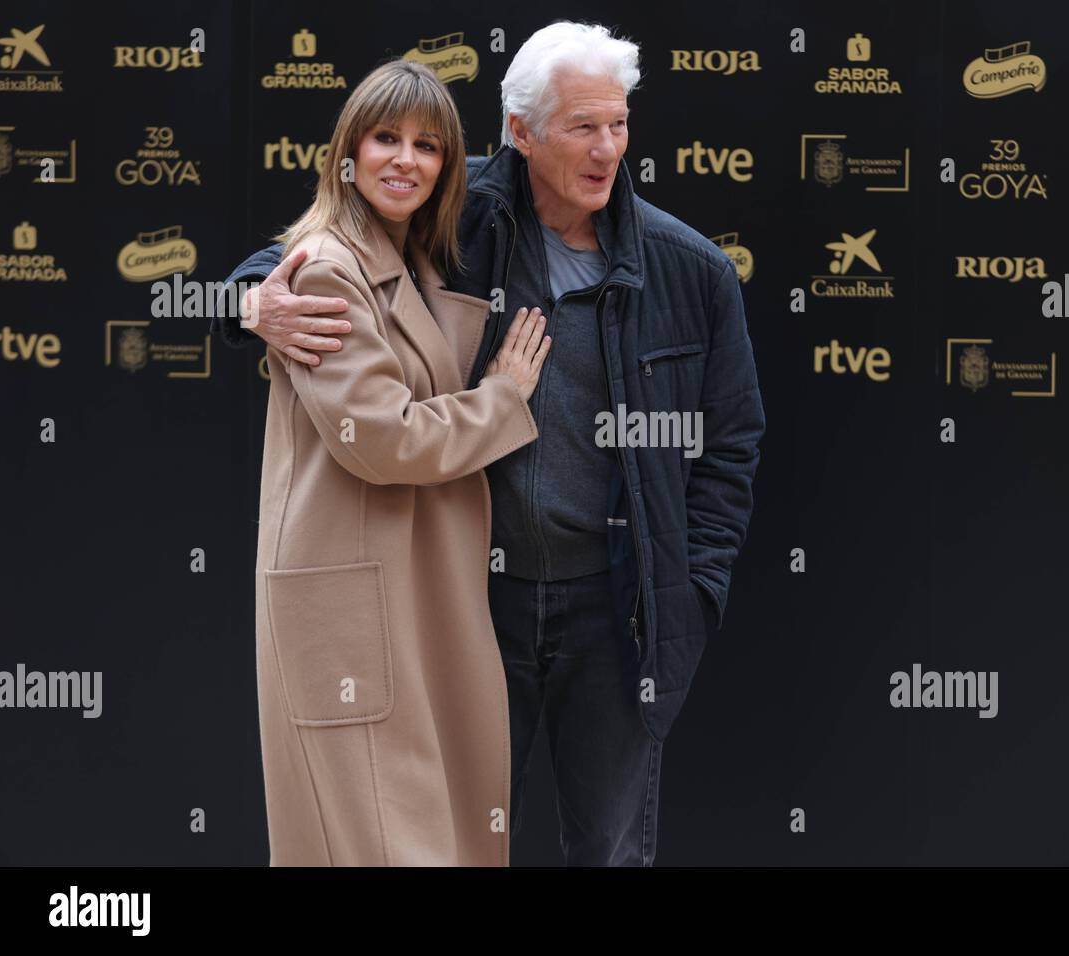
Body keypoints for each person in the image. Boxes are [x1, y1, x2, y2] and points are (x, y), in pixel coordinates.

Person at [219, 21, 765, 866]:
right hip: (473, 599)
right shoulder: (453, 211)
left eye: (618, 124)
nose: (607, 148)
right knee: (453, 840)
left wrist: (693, 591)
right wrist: (248, 302)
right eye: (583, 127)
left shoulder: (690, 270)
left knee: (611, 850)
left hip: (618, 613)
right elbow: (301, 254)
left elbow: (730, 445)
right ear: (521, 132)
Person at [251, 58, 552, 866]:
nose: (405, 160)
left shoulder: (409, 260)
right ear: (347, 152)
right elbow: (382, 439)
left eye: (427, 146)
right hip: (355, 611)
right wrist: (504, 397)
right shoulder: (327, 267)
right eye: (386, 137)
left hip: (406, 595)